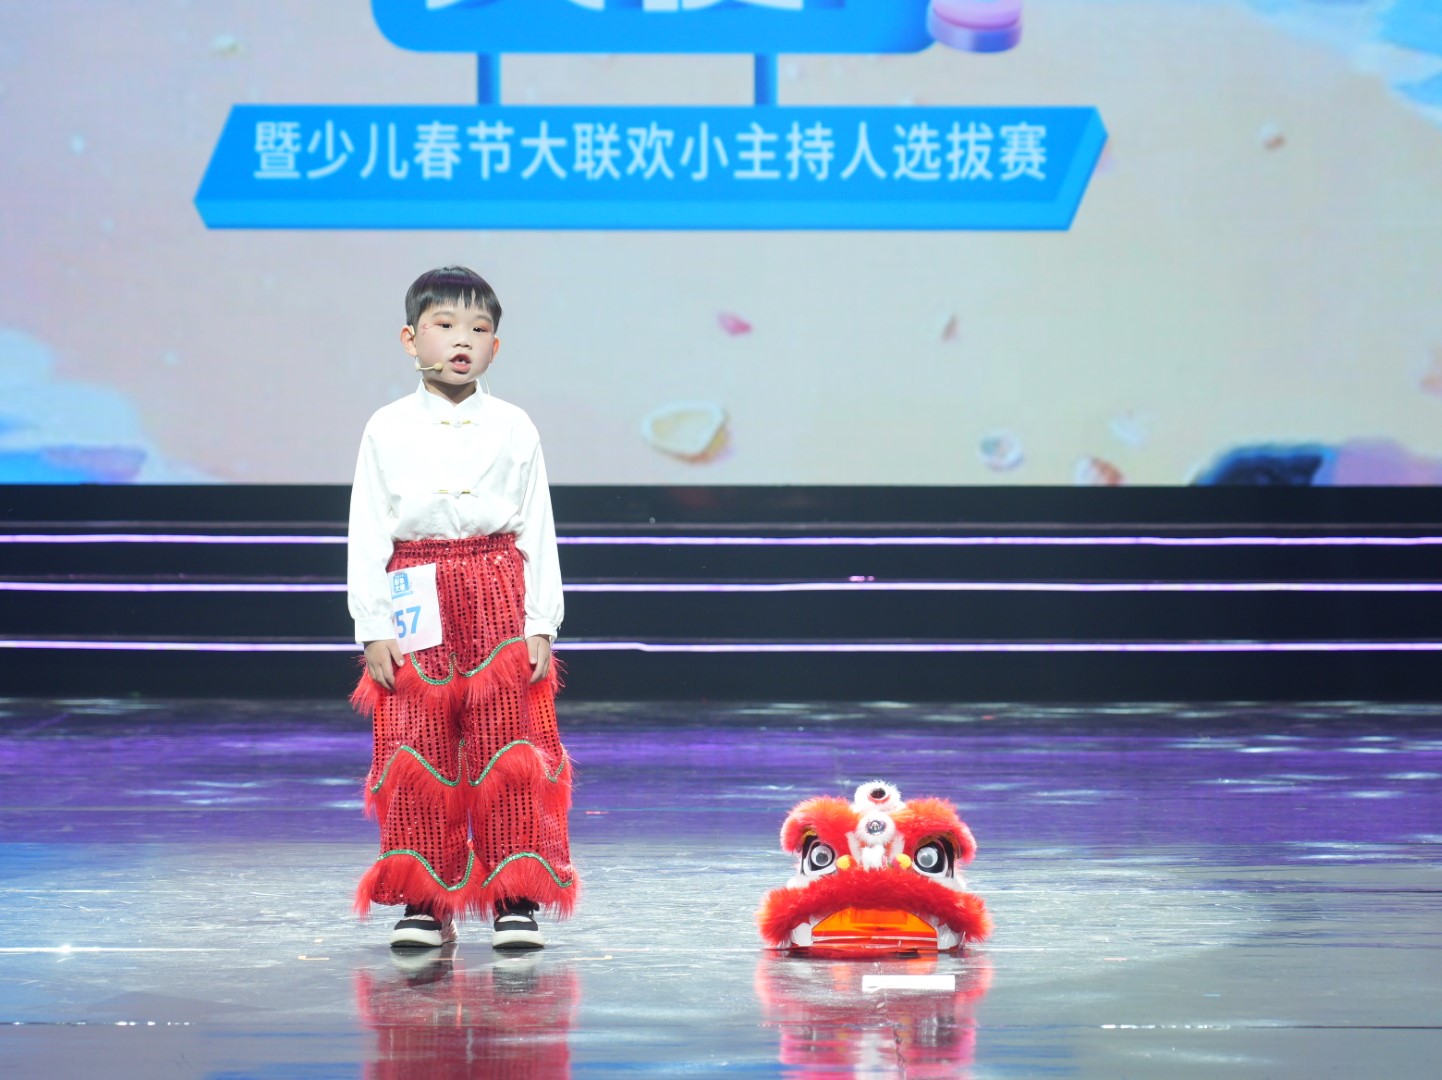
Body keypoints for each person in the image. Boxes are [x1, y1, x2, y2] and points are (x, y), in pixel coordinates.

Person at [347, 266, 575, 951]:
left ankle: (514, 896)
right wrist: (372, 625)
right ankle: (426, 899)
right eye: (444, 325)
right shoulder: (386, 427)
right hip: (416, 583)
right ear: (410, 339)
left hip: (496, 581)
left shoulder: (514, 425)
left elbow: (538, 525)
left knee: (509, 744)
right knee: (417, 742)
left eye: (478, 329)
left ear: (494, 347)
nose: (462, 341)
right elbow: (367, 528)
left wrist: (541, 621)